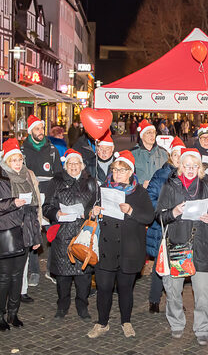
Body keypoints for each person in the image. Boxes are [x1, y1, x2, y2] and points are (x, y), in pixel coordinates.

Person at [155, 148, 208, 346]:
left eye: (195, 166)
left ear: (199, 167)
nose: (191, 169)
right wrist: (173, 212)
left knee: (202, 291)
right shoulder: (170, 184)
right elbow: (159, 215)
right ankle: (176, 323)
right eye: (187, 165)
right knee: (173, 289)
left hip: (200, 243)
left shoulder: (206, 184)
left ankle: (202, 327)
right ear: (180, 167)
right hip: (177, 242)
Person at [87, 150, 154, 339]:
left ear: (130, 172)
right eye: (115, 170)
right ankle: (102, 323)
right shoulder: (102, 189)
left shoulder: (139, 192)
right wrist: (93, 212)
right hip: (105, 248)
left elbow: (149, 216)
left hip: (129, 249)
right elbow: (89, 210)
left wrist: (131, 210)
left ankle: (126, 321)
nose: (117, 174)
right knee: (104, 288)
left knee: (125, 289)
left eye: (122, 170)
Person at [0, 138, 42, 331]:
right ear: (5, 161)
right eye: (13, 160)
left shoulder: (26, 176)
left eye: (19, 160)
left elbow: (33, 208)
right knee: (4, 276)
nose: (17, 164)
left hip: (24, 231)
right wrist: (12, 203)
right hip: (5, 231)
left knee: (18, 276)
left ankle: (13, 313)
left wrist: (35, 236)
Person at [42, 149, 98, 321]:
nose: (74, 166)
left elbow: (97, 203)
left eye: (77, 163)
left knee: (84, 276)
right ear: (65, 165)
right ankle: (62, 306)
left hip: (83, 233)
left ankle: (83, 306)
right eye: (70, 163)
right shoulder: (56, 181)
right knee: (63, 277)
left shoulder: (91, 182)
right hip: (63, 234)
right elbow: (47, 206)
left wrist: (90, 213)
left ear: (82, 165)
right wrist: (57, 214)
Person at [21, 115, 63, 288]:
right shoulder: (23, 150)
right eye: (37, 129)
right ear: (30, 131)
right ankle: (34, 271)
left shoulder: (51, 149)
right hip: (31, 195)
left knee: (54, 231)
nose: (40, 132)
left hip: (50, 195)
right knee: (33, 232)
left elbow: (59, 172)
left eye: (42, 128)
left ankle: (51, 269)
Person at [145, 136, 185, 314]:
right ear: (170, 155)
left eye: (181, 155)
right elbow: (150, 197)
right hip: (162, 225)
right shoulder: (160, 175)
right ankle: (154, 299)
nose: (178, 157)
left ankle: (176, 299)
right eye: (175, 154)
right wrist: (162, 212)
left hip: (181, 227)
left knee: (179, 264)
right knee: (159, 266)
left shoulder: (188, 175)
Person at [130, 120, 168, 189]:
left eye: (153, 132)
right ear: (142, 136)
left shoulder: (164, 153)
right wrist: (141, 186)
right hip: (141, 194)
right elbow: (127, 179)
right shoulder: (133, 154)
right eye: (148, 133)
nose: (152, 135)